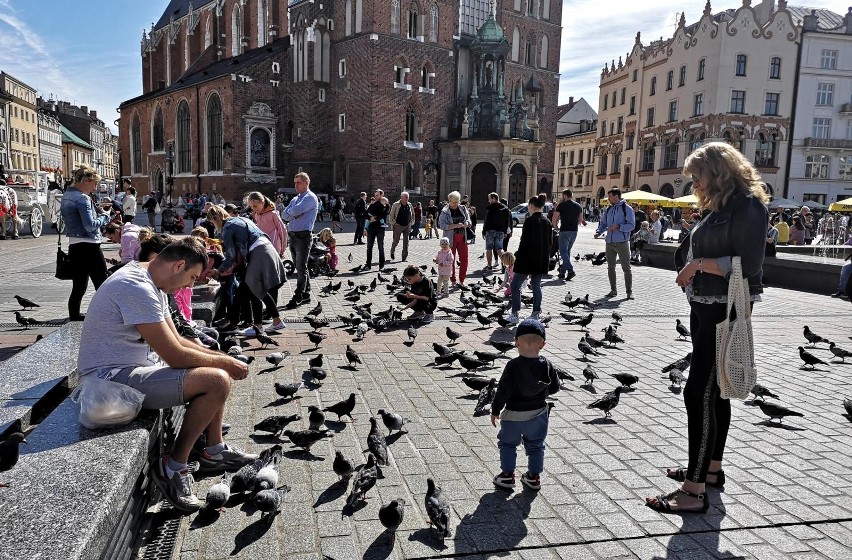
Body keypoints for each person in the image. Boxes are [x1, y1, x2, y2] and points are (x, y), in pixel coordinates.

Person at [76, 236, 256, 513]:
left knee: (214, 367)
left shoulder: (150, 280)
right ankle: (173, 467)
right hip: (108, 384)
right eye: (193, 277)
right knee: (216, 380)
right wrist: (226, 365)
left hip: (132, 370)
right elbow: (174, 355)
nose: (191, 285)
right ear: (179, 265)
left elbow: (180, 342)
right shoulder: (135, 287)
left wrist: (223, 357)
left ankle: (214, 450)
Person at [647, 141, 769, 513]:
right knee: (713, 393)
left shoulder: (748, 206)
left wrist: (697, 263)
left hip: (722, 310)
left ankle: (692, 490)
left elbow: (748, 265)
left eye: (696, 178)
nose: (693, 186)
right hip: (705, 306)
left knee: (697, 392)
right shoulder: (722, 205)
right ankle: (710, 469)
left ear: (717, 173)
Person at [490, 318, 560, 491]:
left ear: (516, 343)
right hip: (538, 415)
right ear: (542, 344)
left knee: (507, 444)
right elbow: (555, 387)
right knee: (536, 446)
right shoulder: (547, 365)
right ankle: (533, 477)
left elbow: (503, 391)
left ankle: (507, 476)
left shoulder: (513, 366)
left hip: (513, 415)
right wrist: (541, 392)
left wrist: (495, 410)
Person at [207, 205, 286, 334]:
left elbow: (231, 256)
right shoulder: (239, 219)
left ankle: (272, 322)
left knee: (255, 289)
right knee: (247, 290)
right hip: (266, 248)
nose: (214, 225)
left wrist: (218, 271)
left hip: (258, 252)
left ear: (216, 218)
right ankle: (258, 325)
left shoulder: (227, 228)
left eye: (212, 222)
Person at [60, 165, 112, 321]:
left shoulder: (67, 195)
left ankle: (74, 316)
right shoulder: (83, 198)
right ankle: (108, 315)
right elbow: (90, 225)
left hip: (74, 246)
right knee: (102, 283)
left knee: (79, 285)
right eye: (94, 184)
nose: (95, 188)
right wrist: (106, 216)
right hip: (90, 246)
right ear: (86, 181)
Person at [506, 195, 552, 323]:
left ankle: (515, 314)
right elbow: (550, 243)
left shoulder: (529, 221)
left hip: (527, 260)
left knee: (515, 285)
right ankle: (535, 313)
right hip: (541, 260)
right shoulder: (547, 222)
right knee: (536, 285)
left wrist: (518, 257)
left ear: (531, 206)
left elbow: (524, 242)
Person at [246, 191, 288, 319]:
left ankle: (272, 310)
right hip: (261, 250)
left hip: (273, 249)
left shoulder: (273, 214)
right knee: (265, 280)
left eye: (255, 206)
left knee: (272, 282)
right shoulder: (257, 215)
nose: (253, 209)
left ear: (262, 202)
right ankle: (270, 309)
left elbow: (283, 231)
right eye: (251, 206)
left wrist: (283, 249)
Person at [281, 172, 319, 307]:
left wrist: (292, 213)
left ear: (306, 183)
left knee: (301, 268)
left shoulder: (310, 198)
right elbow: (284, 214)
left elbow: (294, 212)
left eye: (298, 183)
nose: (295, 185)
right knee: (300, 266)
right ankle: (306, 294)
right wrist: (292, 214)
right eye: (295, 183)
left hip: (303, 236)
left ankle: (298, 295)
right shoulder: (295, 199)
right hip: (293, 235)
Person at [595, 188, 636, 299]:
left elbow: (631, 225)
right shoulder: (608, 209)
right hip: (609, 242)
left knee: (626, 268)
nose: (608, 199)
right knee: (610, 267)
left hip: (622, 242)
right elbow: (603, 223)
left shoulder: (627, 209)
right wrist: (599, 232)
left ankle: (629, 292)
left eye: (610, 196)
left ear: (616, 196)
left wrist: (619, 227)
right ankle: (613, 290)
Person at [437, 191, 472, 286]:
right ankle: (453, 279)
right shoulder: (445, 211)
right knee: (450, 259)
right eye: (453, 202)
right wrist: (455, 225)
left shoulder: (463, 208)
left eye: (457, 202)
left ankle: (461, 280)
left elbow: (469, 220)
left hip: (462, 237)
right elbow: (441, 225)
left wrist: (467, 224)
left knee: (464, 259)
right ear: (449, 201)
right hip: (450, 238)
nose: (455, 204)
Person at [551, 189, 586, 281]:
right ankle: (562, 272)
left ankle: (570, 270)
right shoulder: (578, 206)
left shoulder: (561, 205)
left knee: (563, 252)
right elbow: (580, 220)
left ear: (565, 196)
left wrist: (555, 226)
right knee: (568, 251)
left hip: (564, 230)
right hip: (574, 231)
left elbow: (554, 218)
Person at [482, 193, 510, 269]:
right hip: (500, 231)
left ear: (494, 198)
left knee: (489, 248)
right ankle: (504, 265)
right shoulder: (505, 208)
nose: (488, 201)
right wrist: (505, 231)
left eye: (489, 199)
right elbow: (506, 222)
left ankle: (489, 265)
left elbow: (487, 220)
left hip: (490, 230)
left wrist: (484, 231)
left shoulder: (490, 208)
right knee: (500, 249)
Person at [365, 189, 389, 271]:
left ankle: (381, 265)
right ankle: (368, 264)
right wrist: (370, 217)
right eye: (375, 195)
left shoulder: (385, 204)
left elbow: (384, 214)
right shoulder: (373, 204)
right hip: (371, 228)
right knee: (369, 247)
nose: (375, 197)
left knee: (380, 247)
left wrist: (375, 218)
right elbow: (366, 213)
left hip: (380, 228)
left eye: (377, 195)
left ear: (382, 195)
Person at [389, 191, 413, 262]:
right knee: (396, 241)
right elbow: (391, 215)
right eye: (405, 197)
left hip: (407, 225)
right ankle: (392, 251)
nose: (407, 199)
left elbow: (413, 214)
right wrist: (394, 223)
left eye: (407, 197)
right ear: (401, 197)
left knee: (406, 242)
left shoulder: (410, 205)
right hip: (398, 225)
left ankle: (404, 257)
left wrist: (411, 222)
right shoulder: (396, 204)